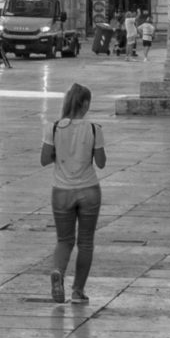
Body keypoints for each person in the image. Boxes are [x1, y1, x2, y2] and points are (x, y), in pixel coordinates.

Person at [41, 83, 107, 304]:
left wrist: (61, 155)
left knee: (64, 240)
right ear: (85, 103)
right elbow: (101, 162)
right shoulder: (94, 129)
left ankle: (58, 271)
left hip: (61, 191)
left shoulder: (53, 128)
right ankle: (78, 291)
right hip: (89, 190)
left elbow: (44, 159)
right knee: (85, 242)